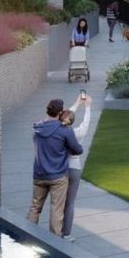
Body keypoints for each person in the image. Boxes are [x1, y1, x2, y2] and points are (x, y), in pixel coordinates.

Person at [28, 98, 82, 235]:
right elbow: (77, 149)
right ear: (60, 112)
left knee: (35, 208)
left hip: (39, 175)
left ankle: (27, 237)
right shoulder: (65, 130)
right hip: (58, 177)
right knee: (56, 210)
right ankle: (56, 244)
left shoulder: (36, 127)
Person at [58, 93, 91, 240]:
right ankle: (66, 234)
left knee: (58, 202)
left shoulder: (59, 130)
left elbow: (66, 117)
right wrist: (87, 107)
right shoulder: (77, 133)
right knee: (70, 203)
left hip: (61, 168)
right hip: (74, 169)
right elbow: (86, 123)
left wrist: (77, 103)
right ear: (72, 121)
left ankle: (56, 231)